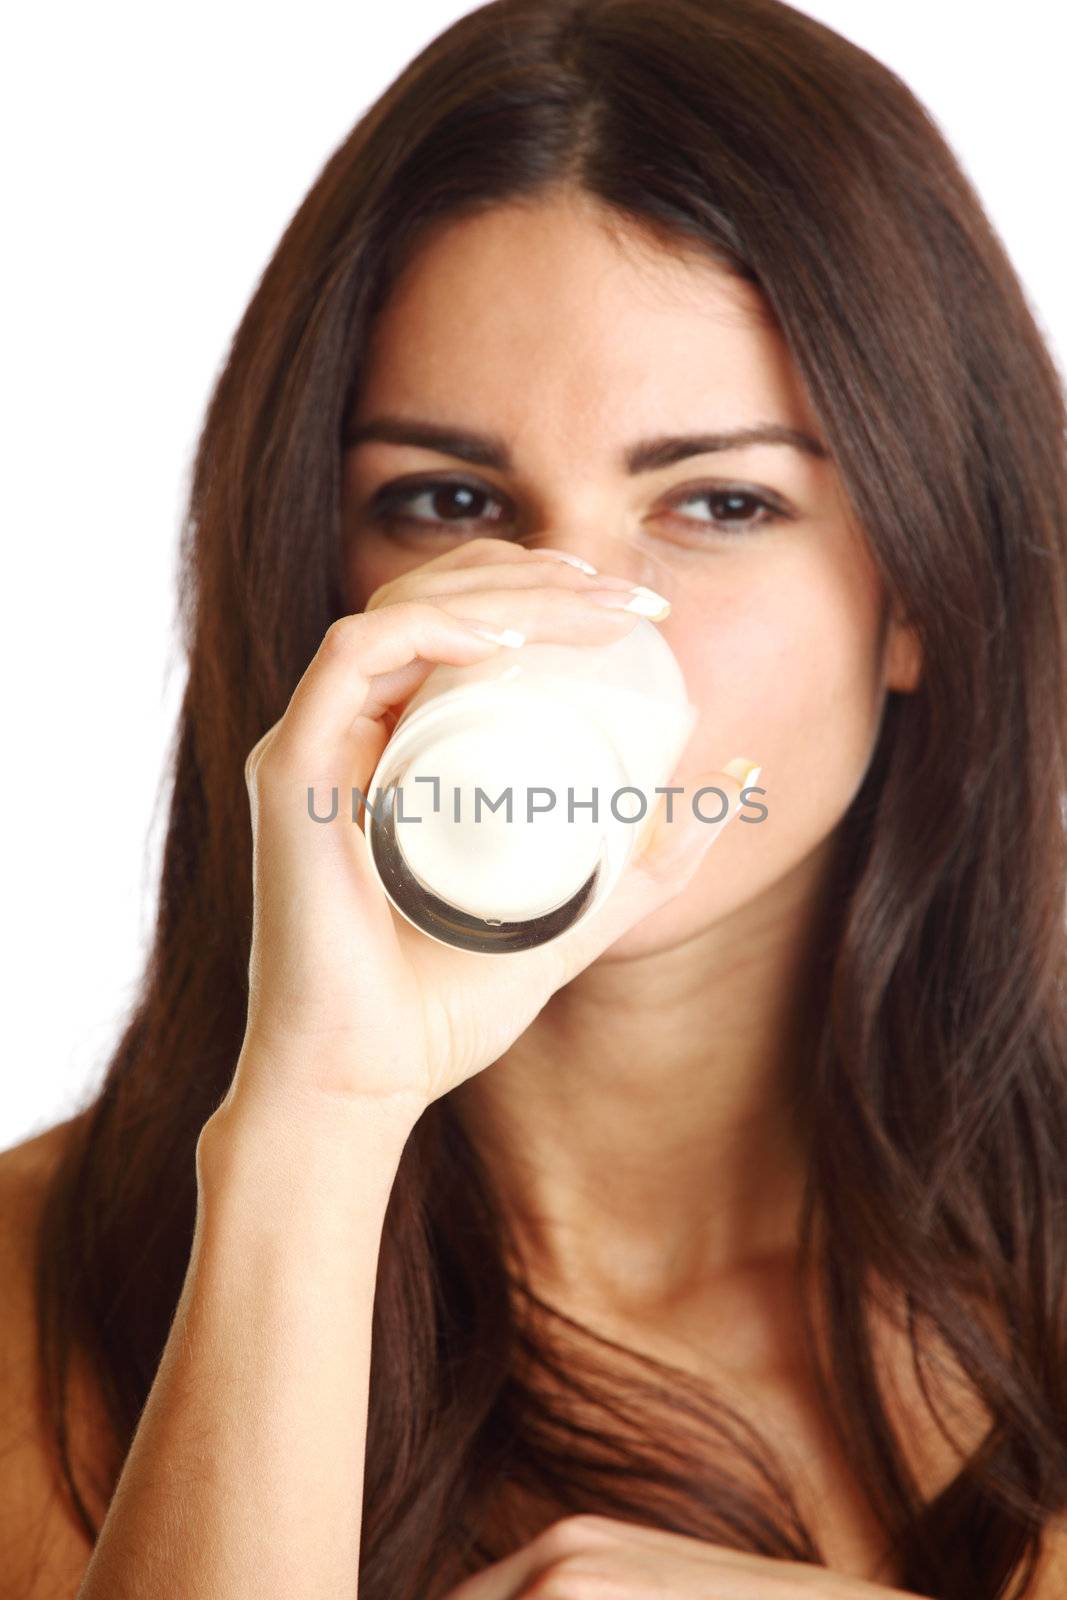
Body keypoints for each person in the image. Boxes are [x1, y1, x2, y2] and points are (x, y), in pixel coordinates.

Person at [2, 1, 1066, 1596]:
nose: (564, 607)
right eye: (447, 502)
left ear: (919, 586)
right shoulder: (38, 1291)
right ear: (317, 582)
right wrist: (316, 1126)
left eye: (719, 501)